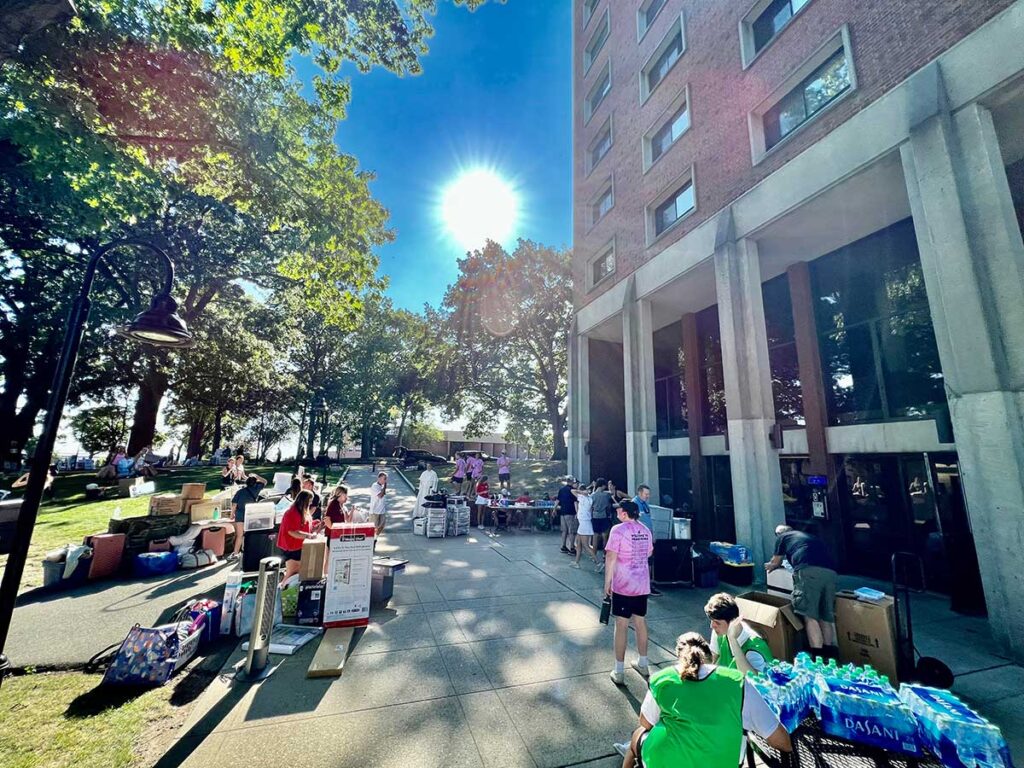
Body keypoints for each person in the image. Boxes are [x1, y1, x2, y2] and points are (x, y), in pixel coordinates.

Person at [613, 632, 791, 768]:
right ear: (707, 654)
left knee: (638, 734)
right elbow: (783, 743)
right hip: (723, 762)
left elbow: (645, 722)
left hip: (666, 760)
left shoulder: (663, 679)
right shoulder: (737, 682)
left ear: (679, 656)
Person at [766, 525, 838, 657]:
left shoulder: (782, 538)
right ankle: (830, 654)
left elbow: (775, 561)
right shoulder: (808, 537)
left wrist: (769, 566)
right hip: (831, 572)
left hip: (808, 571)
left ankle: (817, 655)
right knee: (825, 615)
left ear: (778, 534)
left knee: (810, 615)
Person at [606, 499, 653, 684]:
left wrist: (607, 583)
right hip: (641, 584)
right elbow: (649, 552)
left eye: (619, 511)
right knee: (640, 622)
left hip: (623, 584)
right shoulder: (645, 530)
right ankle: (643, 662)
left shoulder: (618, 530)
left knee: (621, 625)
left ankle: (619, 670)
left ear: (625, 514)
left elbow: (611, 557)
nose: (617, 513)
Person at [705, 592, 774, 675]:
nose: (712, 626)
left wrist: (732, 639)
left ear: (734, 622)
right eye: (712, 621)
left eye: (717, 622)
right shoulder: (719, 631)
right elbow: (713, 657)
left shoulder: (754, 646)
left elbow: (754, 680)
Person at [276, 489, 321, 580]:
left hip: (299, 546)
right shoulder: (291, 512)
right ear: (304, 501)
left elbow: (305, 527)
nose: (311, 504)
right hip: (291, 547)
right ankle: (281, 589)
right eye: (310, 501)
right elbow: (292, 532)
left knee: (297, 571)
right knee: (292, 572)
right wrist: (308, 536)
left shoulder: (303, 511)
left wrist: (317, 527)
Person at [229, 473, 268, 560]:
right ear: (255, 483)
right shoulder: (257, 489)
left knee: (239, 535)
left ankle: (235, 553)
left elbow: (234, 504)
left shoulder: (240, 492)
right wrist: (257, 476)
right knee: (250, 534)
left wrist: (232, 514)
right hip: (251, 515)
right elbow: (265, 481)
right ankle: (249, 552)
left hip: (240, 515)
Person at [633, 484, 662, 597]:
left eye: (648, 494)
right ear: (640, 493)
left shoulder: (645, 503)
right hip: (641, 537)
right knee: (642, 561)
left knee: (648, 560)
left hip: (647, 535)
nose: (648, 496)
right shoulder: (635, 504)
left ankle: (647, 583)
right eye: (646, 494)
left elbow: (648, 519)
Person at [571, 483, 597, 569]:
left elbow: (573, 490)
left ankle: (598, 562)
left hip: (584, 523)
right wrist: (586, 490)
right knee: (578, 544)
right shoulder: (588, 498)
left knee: (586, 545)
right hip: (583, 522)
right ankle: (576, 562)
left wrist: (582, 492)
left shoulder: (583, 498)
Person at [590, 478, 614, 571]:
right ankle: (605, 555)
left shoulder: (592, 496)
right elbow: (612, 493)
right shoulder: (606, 495)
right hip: (603, 516)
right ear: (603, 485)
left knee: (595, 537)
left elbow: (591, 505)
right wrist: (609, 485)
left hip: (595, 516)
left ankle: (594, 555)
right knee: (605, 537)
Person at [555, 477, 578, 554]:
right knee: (572, 530)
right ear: (572, 482)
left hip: (562, 512)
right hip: (571, 512)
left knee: (564, 530)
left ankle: (563, 546)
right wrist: (577, 512)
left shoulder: (561, 490)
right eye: (576, 483)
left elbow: (558, 500)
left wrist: (554, 509)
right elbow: (575, 502)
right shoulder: (573, 491)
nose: (576, 485)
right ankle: (572, 548)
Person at [369, 471, 388, 536]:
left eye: (386, 479)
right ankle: (371, 540)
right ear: (379, 478)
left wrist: (384, 487)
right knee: (373, 528)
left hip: (382, 511)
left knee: (381, 526)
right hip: (375, 511)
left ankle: (375, 538)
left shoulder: (381, 486)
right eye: (384, 478)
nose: (385, 480)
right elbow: (380, 496)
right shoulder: (375, 486)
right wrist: (385, 487)